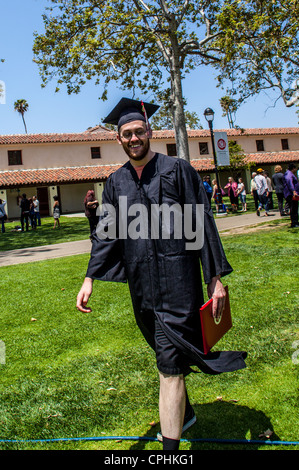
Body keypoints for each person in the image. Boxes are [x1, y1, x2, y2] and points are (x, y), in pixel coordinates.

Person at [76, 98, 247, 451]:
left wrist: (214, 279)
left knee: (169, 366)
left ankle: (169, 450)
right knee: (165, 355)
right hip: (142, 290)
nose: (134, 138)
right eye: (127, 134)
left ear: (150, 132)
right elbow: (107, 234)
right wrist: (90, 278)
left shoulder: (177, 170)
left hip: (179, 284)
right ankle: (185, 415)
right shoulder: (116, 182)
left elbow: (202, 223)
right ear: (119, 139)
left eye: (139, 131)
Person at [283, 163, 299, 228]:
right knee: (293, 208)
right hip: (291, 194)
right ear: (293, 168)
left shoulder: (288, 173)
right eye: (295, 168)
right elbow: (289, 182)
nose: (296, 170)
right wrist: (293, 191)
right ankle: (294, 222)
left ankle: (296, 222)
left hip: (291, 193)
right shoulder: (289, 174)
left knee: (295, 208)